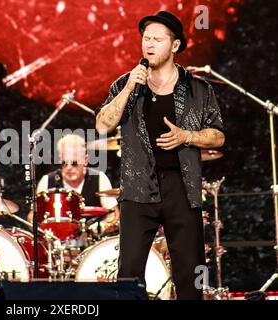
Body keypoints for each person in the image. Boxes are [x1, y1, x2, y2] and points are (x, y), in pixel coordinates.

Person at [96, 11, 225, 300]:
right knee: (128, 272)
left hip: (183, 187)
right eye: (145, 38)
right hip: (137, 186)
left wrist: (186, 136)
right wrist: (130, 86)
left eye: (157, 39)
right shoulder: (125, 84)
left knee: (190, 274)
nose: (149, 44)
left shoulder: (198, 88)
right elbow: (102, 124)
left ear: (175, 45)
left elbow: (218, 135)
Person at [28, 134, 120, 236]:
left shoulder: (99, 178)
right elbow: (33, 216)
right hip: (56, 245)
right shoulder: (47, 181)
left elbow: (113, 214)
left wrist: (100, 227)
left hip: (92, 244)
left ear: (85, 160)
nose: (69, 168)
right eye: (64, 163)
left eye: (74, 163)